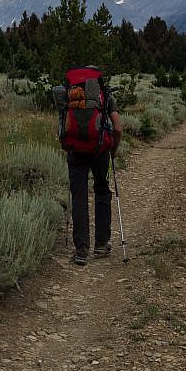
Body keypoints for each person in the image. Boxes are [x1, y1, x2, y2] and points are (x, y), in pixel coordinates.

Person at [66, 71, 122, 266]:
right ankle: (101, 242)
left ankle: (81, 249)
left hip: (75, 152)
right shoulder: (105, 95)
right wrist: (113, 151)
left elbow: (63, 126)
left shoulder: (72, 94)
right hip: (100, 151)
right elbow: (118, 128)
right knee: (102, 191)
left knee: (79, 196)